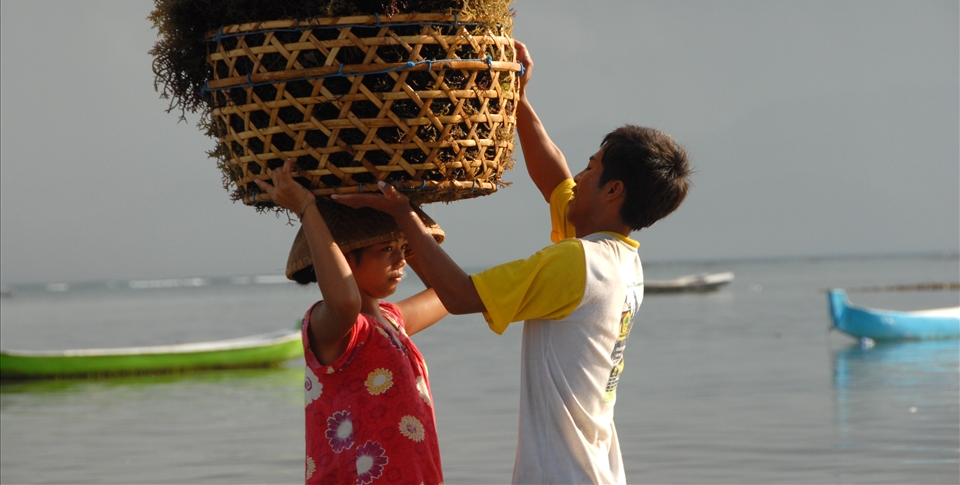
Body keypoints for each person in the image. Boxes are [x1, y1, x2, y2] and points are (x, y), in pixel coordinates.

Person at [335, 39, 692, 484]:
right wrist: (519, 100)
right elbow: (556, 180)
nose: (578, 177)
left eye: (592, 167)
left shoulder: (576, 262)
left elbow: (462, 296)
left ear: (614, 191)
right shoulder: (620, 262)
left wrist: (402, 215)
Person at [255, 160, 448, 485]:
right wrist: (306, 208)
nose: (400, 259)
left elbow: (448, 293)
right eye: (386, 249)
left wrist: (404, 220)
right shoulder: (333, 327)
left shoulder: (391, 320)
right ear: (345, 257)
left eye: (402, 249)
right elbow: (345, 301)